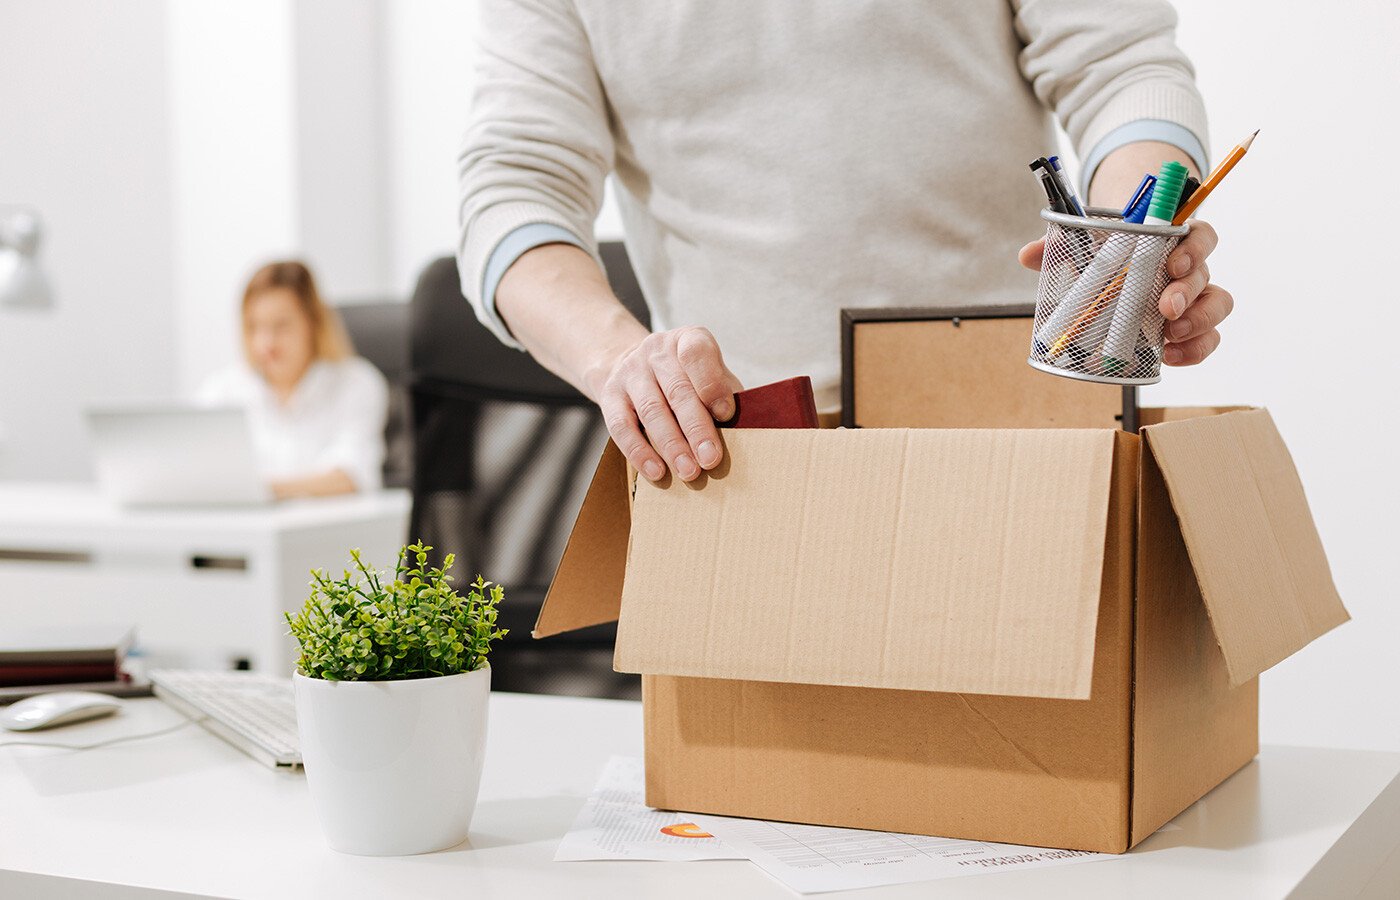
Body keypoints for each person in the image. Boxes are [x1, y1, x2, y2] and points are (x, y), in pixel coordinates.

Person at [459, 1, 1233, 484]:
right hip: (747, 458)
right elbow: (515, 187)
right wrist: (617, 363)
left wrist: (1130, 248)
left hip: (1019, 433)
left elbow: (1121, 66)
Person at [197, 260, 389, 499]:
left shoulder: (357, 384)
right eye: (255, 327)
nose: (267, 343)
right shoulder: (222, 390)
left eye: (281, 326)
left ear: (313, 323)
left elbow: (351, 476)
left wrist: (259, 492)